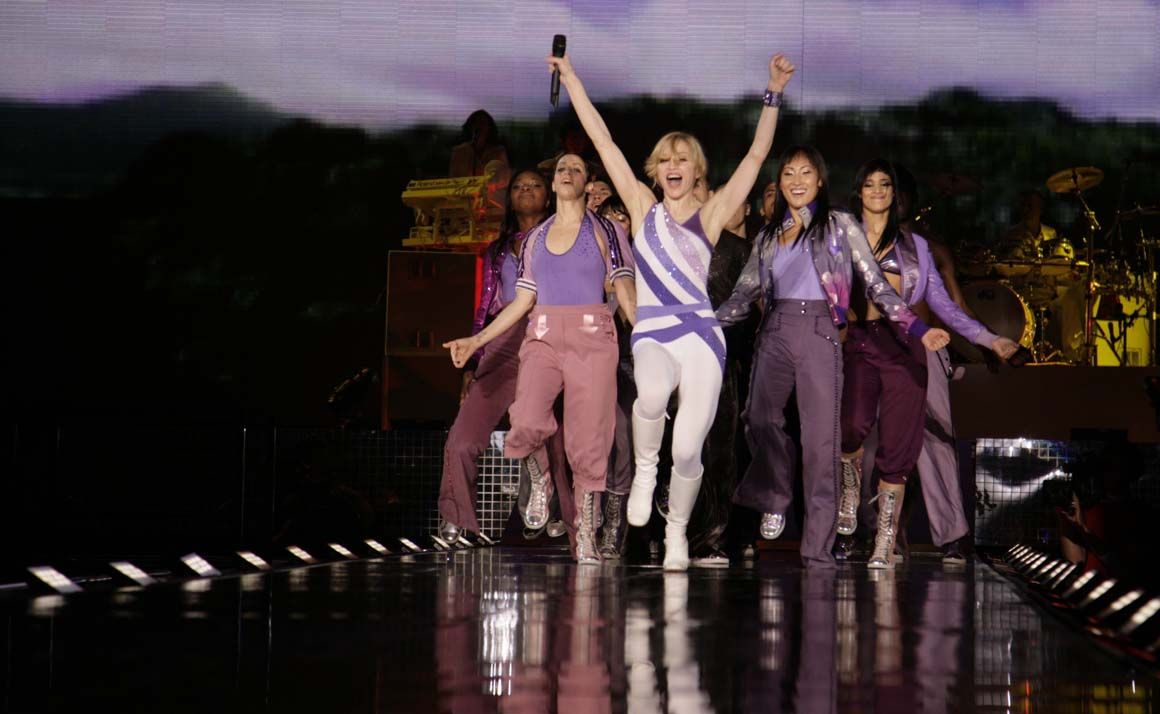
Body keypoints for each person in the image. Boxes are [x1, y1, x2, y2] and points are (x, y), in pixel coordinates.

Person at [549, 48, 796, 570]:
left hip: (702, 334)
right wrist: (571, 80)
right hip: (655, 330)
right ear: (656, 171)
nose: (674, 166)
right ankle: (644, 472)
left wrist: (773, 93)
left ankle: (678, 532)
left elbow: (756, 157)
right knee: (653, 394)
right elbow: (602, 139)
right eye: (666, 159)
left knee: (687, 450)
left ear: (696, 169)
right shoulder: (642, 206)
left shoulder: (712, 215)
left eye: (683, 159)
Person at [717, 146, 951, 568]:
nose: (797, 181)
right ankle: (774, 492)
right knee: (758, 418)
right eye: (789, 174)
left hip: (821, 331)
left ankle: (817, 550)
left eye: (806, 172)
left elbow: (877, 284)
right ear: (780, 183)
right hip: (775, 330)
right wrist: (702, 324)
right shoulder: (768, 237)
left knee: (821, 442)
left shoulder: (840, 226)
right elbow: (742, 295)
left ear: (820, 180)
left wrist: (917, 327)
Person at [444, 154, 635, 564]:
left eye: (576, 169)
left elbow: (624, 290)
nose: (567, 173)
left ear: (587, 182)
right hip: (543, 333)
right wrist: (476, 340)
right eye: (561, 169)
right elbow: (521, 301)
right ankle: (540, 478)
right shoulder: (534, 238)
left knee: (587, 441)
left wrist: (650, 337)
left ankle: (586, 532)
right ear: (554, 182)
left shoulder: (607, 229)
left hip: (592, 335)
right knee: (527, 419)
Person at [838, 159, 1018, 568]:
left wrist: (989, 340)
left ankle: (905, 540)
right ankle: (855, 514)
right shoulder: (842, 239)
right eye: (870, 184)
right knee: (854, 430)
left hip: (912, 345)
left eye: (887, 185)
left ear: (900, 196)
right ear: (859, 191)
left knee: (915, 443)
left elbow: (947, 305)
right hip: (863, 343)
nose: (879, 192)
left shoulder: (918, 247)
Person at [437, 169, 555, 543]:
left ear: (549, 195)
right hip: (501, 341)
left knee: (541, 426)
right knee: (463, 436)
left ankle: (563, 514)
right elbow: (484, 308)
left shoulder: (563, 238)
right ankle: (456, 517)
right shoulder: (498, 249)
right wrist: (472, 362)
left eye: (535, 185)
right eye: (519, 186)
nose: (526, 190)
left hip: (550, 337)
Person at [448, 109, 510, 178]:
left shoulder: (498, 151)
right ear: (470, 126)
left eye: (483, 123)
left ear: (489, 127)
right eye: (476, 123)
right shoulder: (459, 151)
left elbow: (504, 177)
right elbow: (453, 177)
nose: (479, 126)